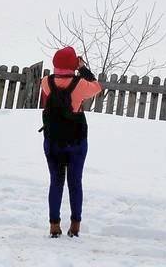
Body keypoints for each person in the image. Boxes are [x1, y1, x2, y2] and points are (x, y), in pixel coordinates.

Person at [39, 46, 103, 238]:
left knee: (56, 182)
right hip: (76, 140)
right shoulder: (81, 85)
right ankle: (75, 226)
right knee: (75, 182)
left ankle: (54, 225)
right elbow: (97, 86)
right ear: (73, 64)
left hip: (53, 140)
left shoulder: (46, 82)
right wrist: (82, 68)